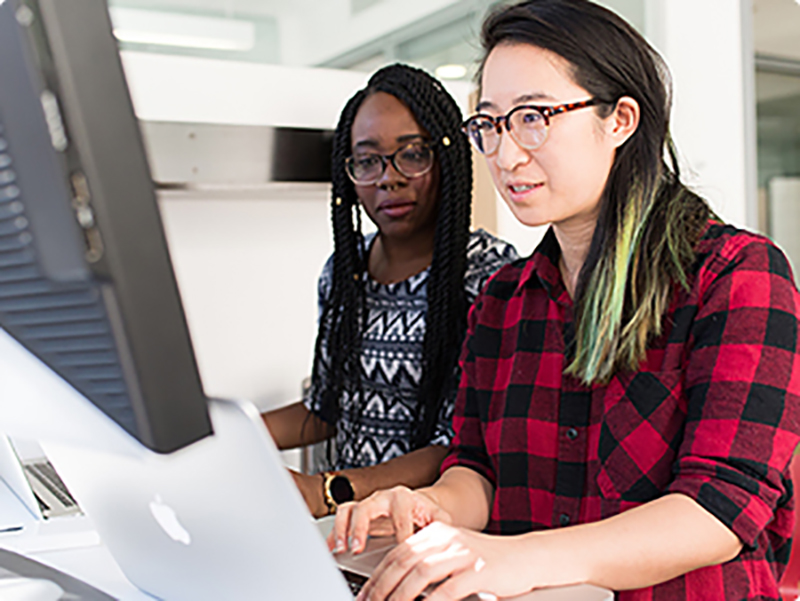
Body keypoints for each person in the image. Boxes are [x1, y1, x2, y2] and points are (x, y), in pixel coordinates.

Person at [329, 1, 800, 600]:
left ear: (620, 119)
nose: (505, 155)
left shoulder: (736, 275)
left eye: (534, 117)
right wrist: (431, 507)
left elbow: (719, 508)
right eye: (491, 124)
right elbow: (476, 468)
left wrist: (514, 558)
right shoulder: (503, 297)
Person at [261, 64, 518, 519]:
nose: (388, 178)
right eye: (367, 161)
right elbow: (326, 409)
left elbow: (463, 444)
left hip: (435, 528)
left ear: (447, 158)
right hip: (350, 528)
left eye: (413, 154)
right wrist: (228, 434)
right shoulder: (344, 271)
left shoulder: (489, 276)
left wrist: (328, 490)